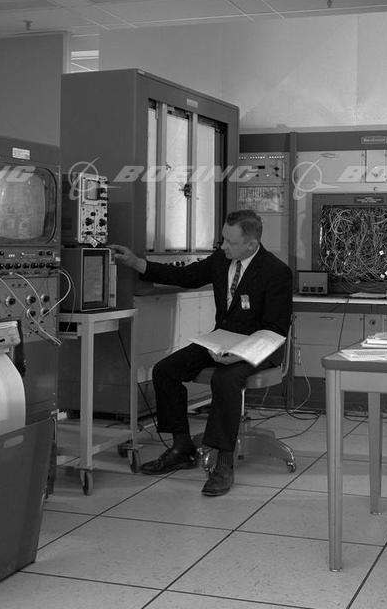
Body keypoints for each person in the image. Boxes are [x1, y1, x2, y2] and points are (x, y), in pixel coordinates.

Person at [110, 209, 293, 497]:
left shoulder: (276, 272)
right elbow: (186, 276)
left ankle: (223, 462)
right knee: (166, 370)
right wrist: (137, 263)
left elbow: (275, 329)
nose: (223, 247)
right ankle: (182, 447)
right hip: (220, 341)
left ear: (251, 244)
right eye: (222, 240)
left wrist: (240, 355)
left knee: (225, 379)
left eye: (230, 242)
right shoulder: (222, 260)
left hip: (258, 347)